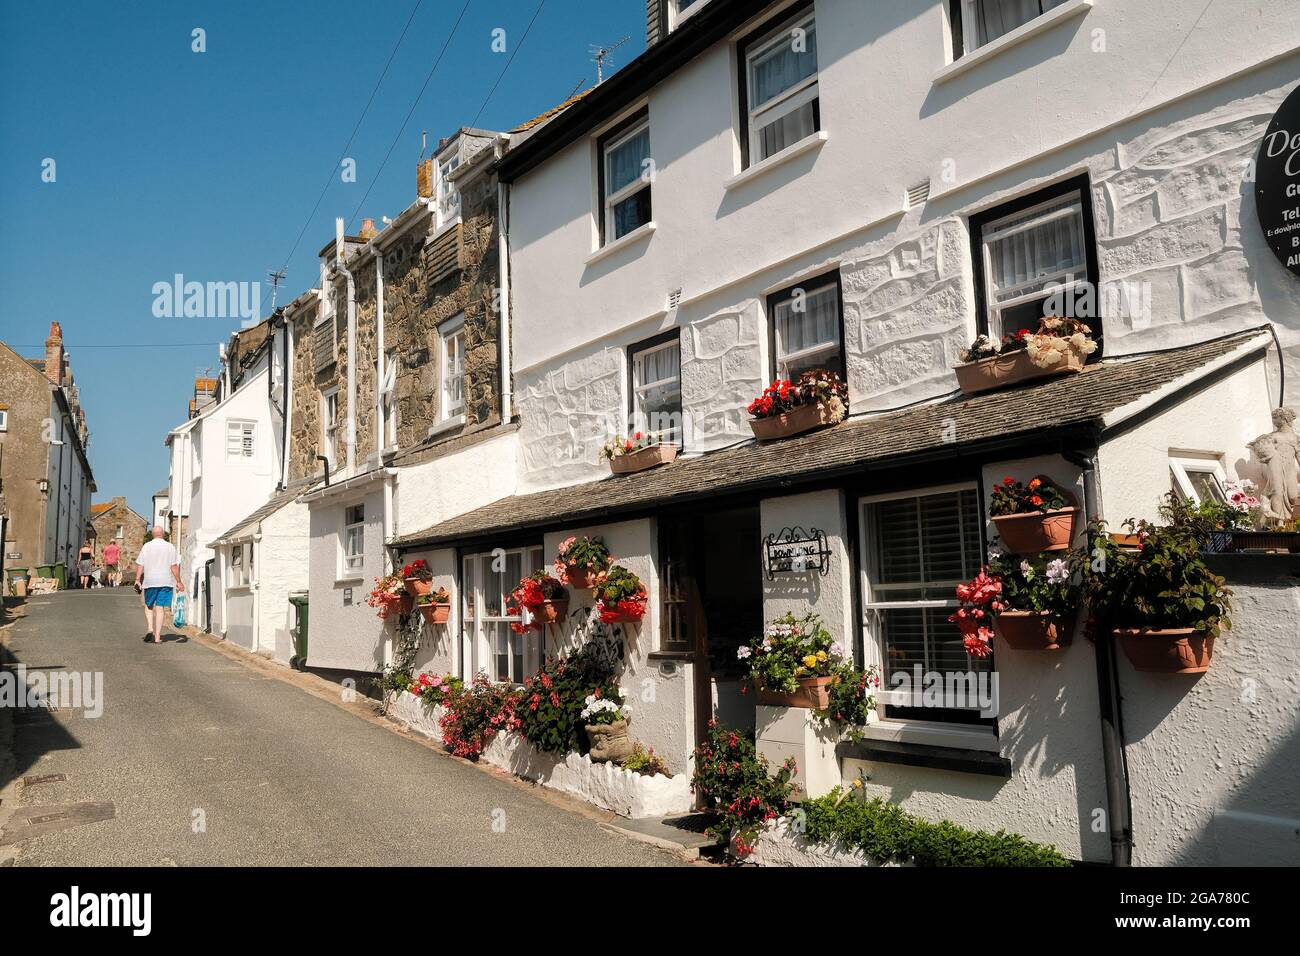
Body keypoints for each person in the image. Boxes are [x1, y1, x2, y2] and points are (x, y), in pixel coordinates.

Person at [135, 526, 183, 644]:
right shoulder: (170, 547)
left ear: (152, 534)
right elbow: (174, 566)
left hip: (150, 581)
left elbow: (140, 564)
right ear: (163, 534)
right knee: (160, 608)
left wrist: (137, 579)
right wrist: (179, 581)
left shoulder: (147, 546)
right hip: (166, 581)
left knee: (149, 606)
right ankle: (157, 637)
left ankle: (150, 628)